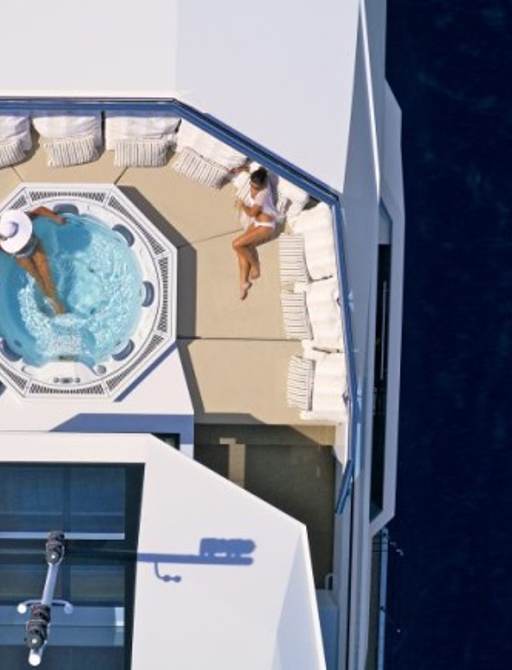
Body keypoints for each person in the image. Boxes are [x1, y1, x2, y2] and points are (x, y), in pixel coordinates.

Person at [0, 206, 67, 314]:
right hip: (21, 256)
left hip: (34, 247)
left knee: (46, 275)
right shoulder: (2, 238)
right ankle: (49, 299)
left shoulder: (19, 221)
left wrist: (55, 217)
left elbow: (40, 210)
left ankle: (56, 303)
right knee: (37, 277)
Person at [232, 167, 278, 300]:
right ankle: (243, 283)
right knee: (241, 249)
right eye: (251, 185)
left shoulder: (262, 194)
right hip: (257, 224)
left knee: (236, 245)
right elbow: (255, 169)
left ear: (263, 185)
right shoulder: (260, 177)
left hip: (266, 226)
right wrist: (242, 168)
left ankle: (256, 266)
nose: (253, 189)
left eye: (256, 187)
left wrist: (242, 205)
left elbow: (252, 213)